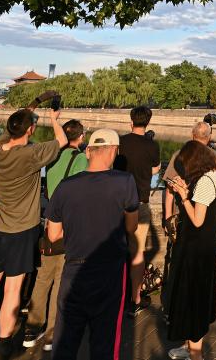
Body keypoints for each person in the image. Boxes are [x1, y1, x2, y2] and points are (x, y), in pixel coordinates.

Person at [0, 105, 67, 360]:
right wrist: (53, 118)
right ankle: (4, 346)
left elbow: (9, 134)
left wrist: (27, 112)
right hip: (22, 230)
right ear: (31, 129)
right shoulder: (31, 154)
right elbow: (62, 140)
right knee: (12, 290)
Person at [46, 129, 139, 360]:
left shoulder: (66, 186)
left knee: (65, 341)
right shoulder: (125, 182)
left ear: (88, 152)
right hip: (109, 271)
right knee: (105, 343)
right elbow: (131, 227)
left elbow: (53, 234)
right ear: (113, 152)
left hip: (74, 270)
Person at [22, 119, 88, 351]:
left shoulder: (52, 157)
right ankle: (52, 332)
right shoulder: (80, 158)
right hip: (69, 223)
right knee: (62, 278)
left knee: (43, 276)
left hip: (49, 218)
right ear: (80, 137)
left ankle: (31, 326)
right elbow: (81, 193)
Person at [163, 141, 216, 360]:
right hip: (201, 247)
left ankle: (195, 354)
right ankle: (189, 347)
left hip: (197, 250)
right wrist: (186, 190)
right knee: (192, 297)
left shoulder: (205, 182)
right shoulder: (212, 174)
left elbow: (197, 219)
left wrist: (183, 196)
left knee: (193, 298)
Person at [114, 106, 161, 313]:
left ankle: (115, 295)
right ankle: (135, 298)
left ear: (131, 121)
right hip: (140, 202)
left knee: (115, 250)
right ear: (148, 123)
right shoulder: (152, 146)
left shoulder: (120, 142)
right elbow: (156, 169)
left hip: (117, 203)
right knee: (137, 252)